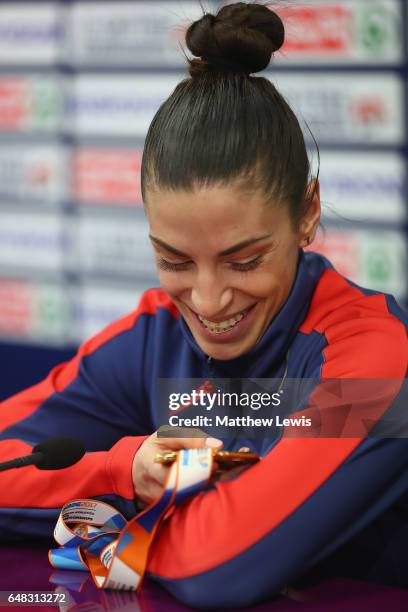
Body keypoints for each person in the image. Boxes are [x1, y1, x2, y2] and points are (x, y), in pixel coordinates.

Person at [0, 2, 407, 608]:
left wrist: (111, 528)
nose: (210, 300)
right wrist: (122, 468)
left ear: (308, 212)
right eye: (175, 261)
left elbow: (220, 564)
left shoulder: (374, 359)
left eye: (244, 261)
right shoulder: (152, 337)